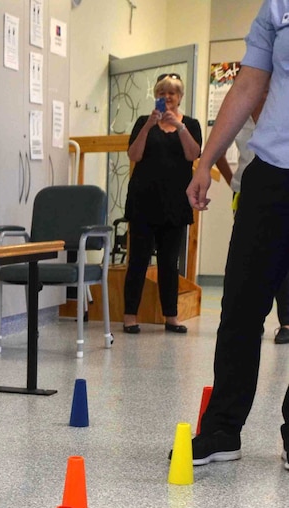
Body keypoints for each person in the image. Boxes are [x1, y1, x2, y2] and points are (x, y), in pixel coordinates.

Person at [183, 0, 289, 467]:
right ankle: (223, 428)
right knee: (241, 305)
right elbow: (248, 84)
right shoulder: (278, 7)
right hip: (270, 168)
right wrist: (206, 161)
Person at [122, 73, 203, 335]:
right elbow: (134, 154)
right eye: (162, 93)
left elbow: (193, 154)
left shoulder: (190, 124)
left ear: (179, 97)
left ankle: (171, 316)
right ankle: (130, 316)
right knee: (138, 260)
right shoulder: (143, 122)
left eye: (172, 93)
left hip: (175, 203)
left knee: (170, 263)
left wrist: (178, 127)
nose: (167, 97)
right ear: (156, 96)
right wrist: (149, 126)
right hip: (143, 202)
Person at [215, 89, 289, 344]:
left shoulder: (280, 107)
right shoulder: (241, 110)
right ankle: (249, 321)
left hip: (281, 186)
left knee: (284, 262)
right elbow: (218, 149)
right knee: (248, 261)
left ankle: (286, 321)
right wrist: (232, 181)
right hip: (247, 192)